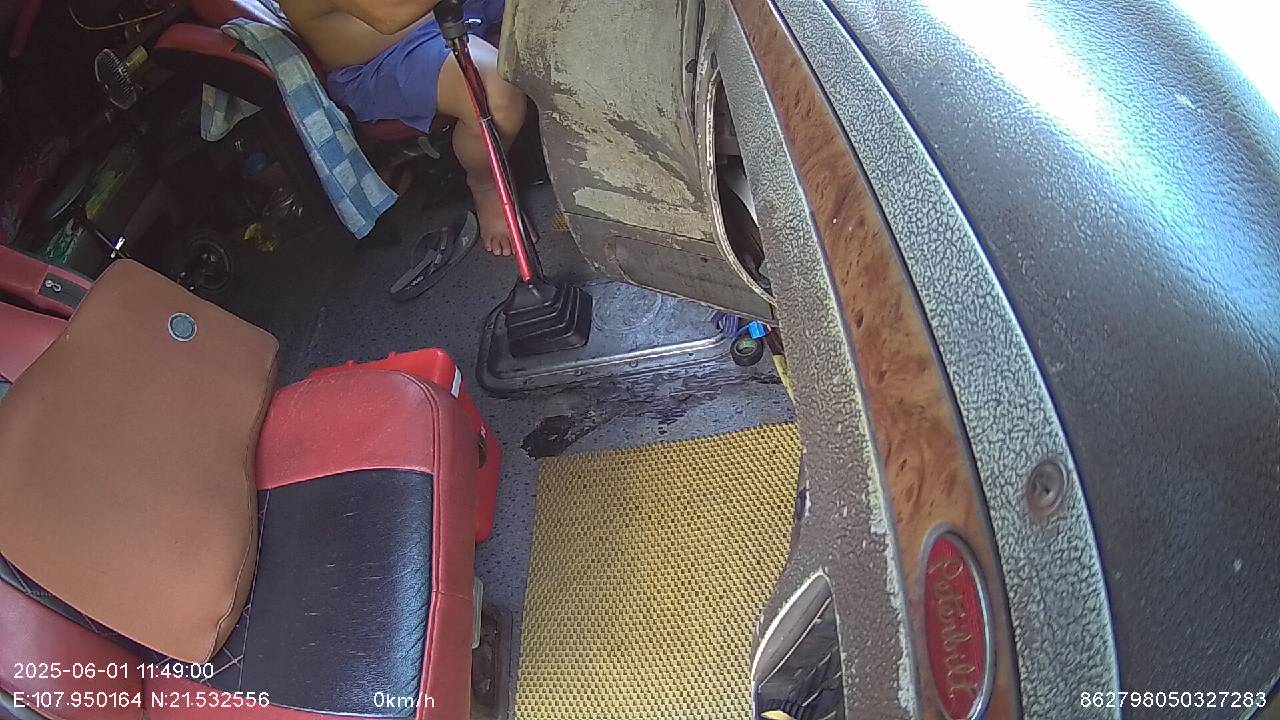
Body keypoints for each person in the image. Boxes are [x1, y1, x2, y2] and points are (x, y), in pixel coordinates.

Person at [279, 0, 526, 256]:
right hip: (383, 58)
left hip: (446, 11)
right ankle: (486, 183)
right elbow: (389, 16)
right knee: (494, 95)